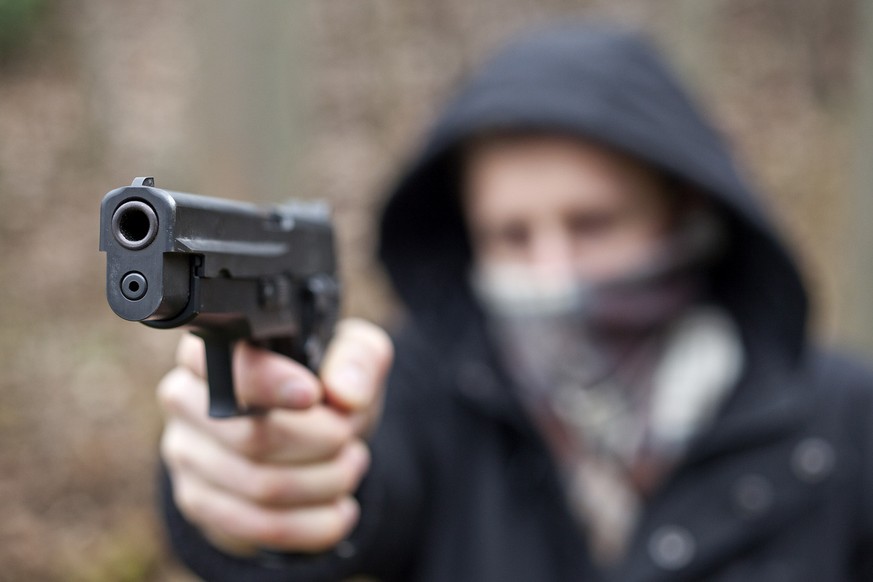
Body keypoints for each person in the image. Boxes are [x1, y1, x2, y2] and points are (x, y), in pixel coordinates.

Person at [157, 24, 873, 581]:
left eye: (591, 225)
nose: (552, 273)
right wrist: (258, 481)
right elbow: (349, 487)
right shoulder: (429, 389)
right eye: (511, 235)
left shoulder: (845, 417)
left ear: (684, 207)